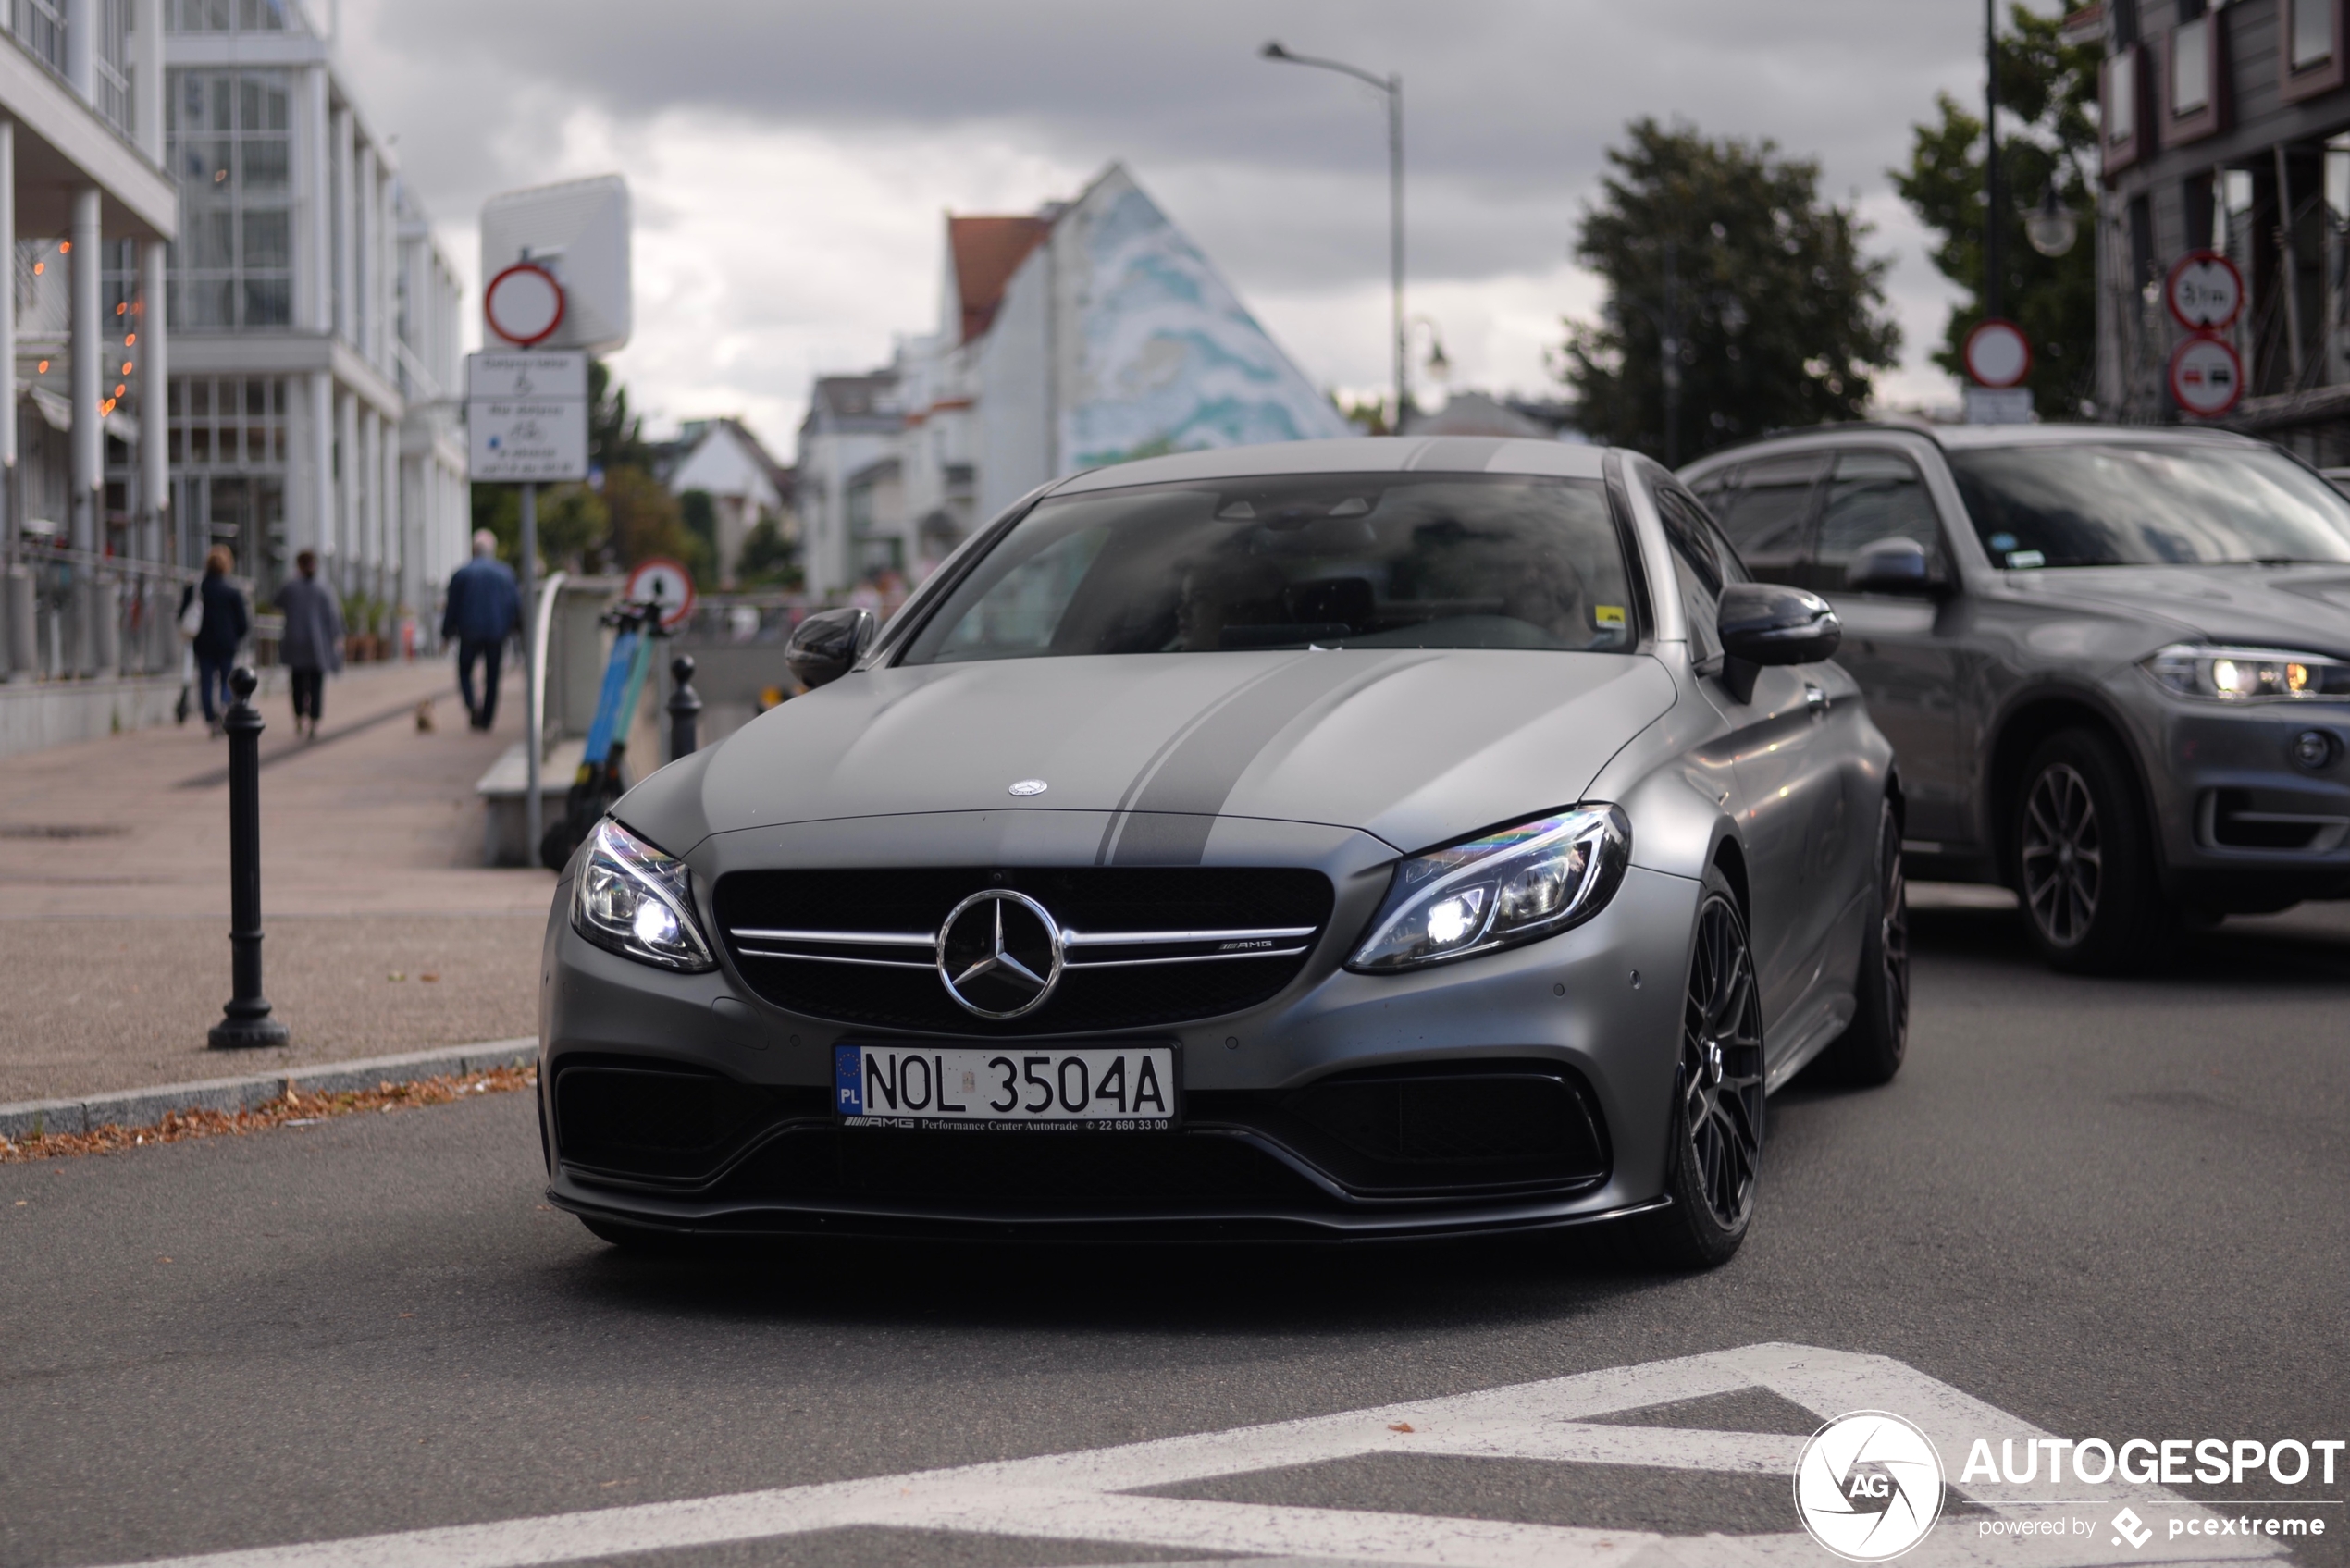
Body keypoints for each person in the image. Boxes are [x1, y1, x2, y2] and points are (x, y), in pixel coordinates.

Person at [443, 529, 519, 731]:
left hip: (469, 631)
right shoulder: (505, 573)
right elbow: (515, 604)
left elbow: (452, 606)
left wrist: (446, 632)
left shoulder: (462, 573)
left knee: (465, 670)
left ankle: (471, 703)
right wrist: (518, 629)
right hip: (497, 632)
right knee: (493, 677)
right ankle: (486, 718)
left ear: (474, 550)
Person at [274, 549, 343, 741]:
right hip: (317, 646)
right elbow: (333, 617)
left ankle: (299, 717)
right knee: (316, 684)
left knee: (297, 683)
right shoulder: (324, 588)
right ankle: (314, 719)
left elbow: (276, 601)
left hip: (295, 644)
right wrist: (336, 637)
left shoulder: (290, 587)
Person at [190, 546, 249, 736]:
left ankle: (210, 718)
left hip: (203, 644)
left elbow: (184, 615)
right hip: (226, 644)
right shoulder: (232, 592)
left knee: (205, 682)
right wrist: (236, 637)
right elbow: (243, 623)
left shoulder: (196, 590)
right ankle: (224, 705)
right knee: (227, 679)